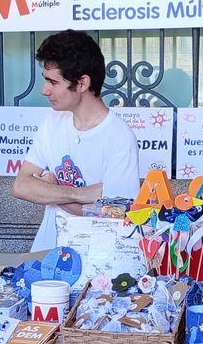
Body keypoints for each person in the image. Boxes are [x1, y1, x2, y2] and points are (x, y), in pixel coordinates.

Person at [13, 30, 141, 250]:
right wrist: (81, 194)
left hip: (97, 259)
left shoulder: (119, 136)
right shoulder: (53, 121)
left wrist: (50, 189)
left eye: (53, 82)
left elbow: (115, 213)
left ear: (82, 83)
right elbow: (21, 186)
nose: (44, 90)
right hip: (47, 252)